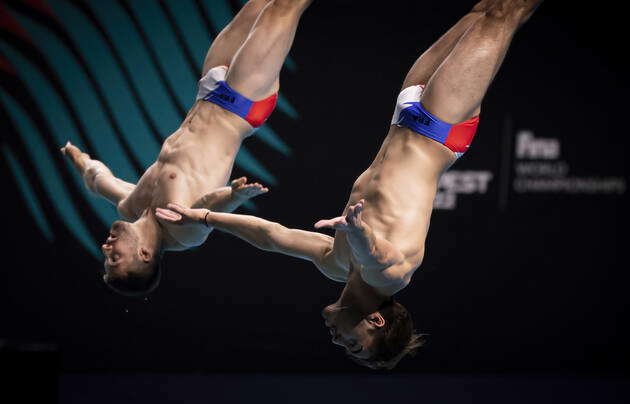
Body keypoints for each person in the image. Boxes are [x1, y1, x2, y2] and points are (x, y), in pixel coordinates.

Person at [155, 0, 543, 368]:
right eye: (353, 343)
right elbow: (378, 253)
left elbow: (271, 236)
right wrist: (357, 231)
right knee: (502, 14)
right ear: (375, 322)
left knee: (483, 10)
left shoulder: (335, 264)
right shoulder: (390, 277)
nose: (338, 341)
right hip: (440, 127)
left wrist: (205, 215)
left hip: (406, 116)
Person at [60, 0, 314, 296]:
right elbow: (208, 207)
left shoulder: (131, 206)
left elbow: (99, 181)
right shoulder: (183, 232)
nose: (106, 248)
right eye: (114, 258)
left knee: (257, 4)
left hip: (208, 91)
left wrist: (79, 159)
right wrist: (234, 195)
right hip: (242, 104)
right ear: (144, 254)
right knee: (283, 7)